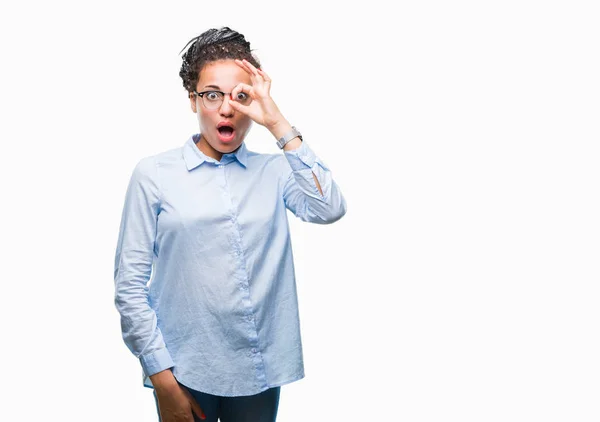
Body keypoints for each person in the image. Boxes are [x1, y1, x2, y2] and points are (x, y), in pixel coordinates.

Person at [113, 27, 347, 422]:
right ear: (193, 100)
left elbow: (328, 208)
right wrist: (161, 377)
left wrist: (277, 123)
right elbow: (130, 284)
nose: (226, 108)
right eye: (212, 95)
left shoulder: (275, 171)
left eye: (241, 96)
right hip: (185, 370)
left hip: (260, 369)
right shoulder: (154, 174)